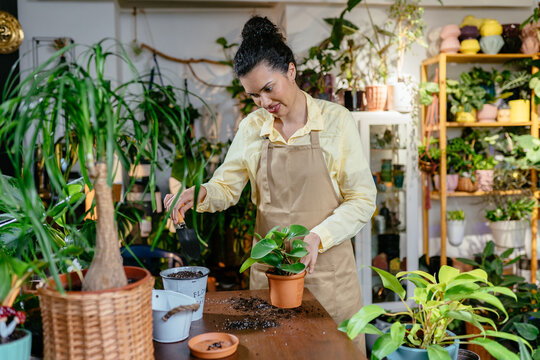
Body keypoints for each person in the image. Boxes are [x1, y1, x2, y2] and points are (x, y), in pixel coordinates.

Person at [164, 15, 376, 352]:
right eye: (253, 95)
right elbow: (227, 187)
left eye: (268, 89)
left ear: (290, 71)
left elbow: (362, 199)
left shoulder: (336, 122)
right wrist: (199, 193)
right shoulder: (252, 127)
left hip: (329, 278)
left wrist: (317, 237)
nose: (263, 102)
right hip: (270, 278)